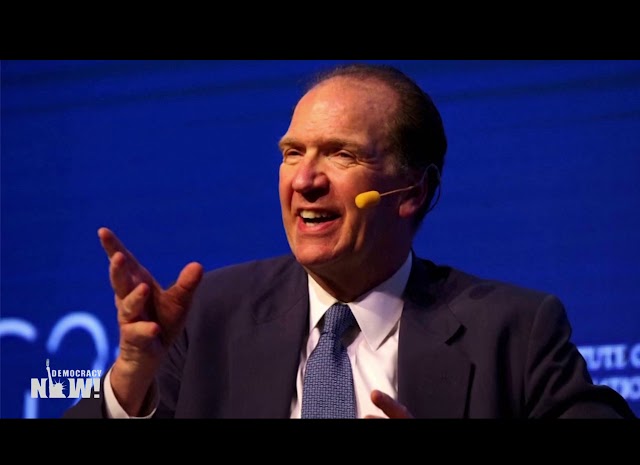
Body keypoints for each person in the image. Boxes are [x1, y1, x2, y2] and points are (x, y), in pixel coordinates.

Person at [63, 63, 635, 419]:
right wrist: (131, 377)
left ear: (412, 191)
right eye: (293, 153)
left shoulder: (514, 332)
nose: (305, 180)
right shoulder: (210, 316)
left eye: (341, 154)